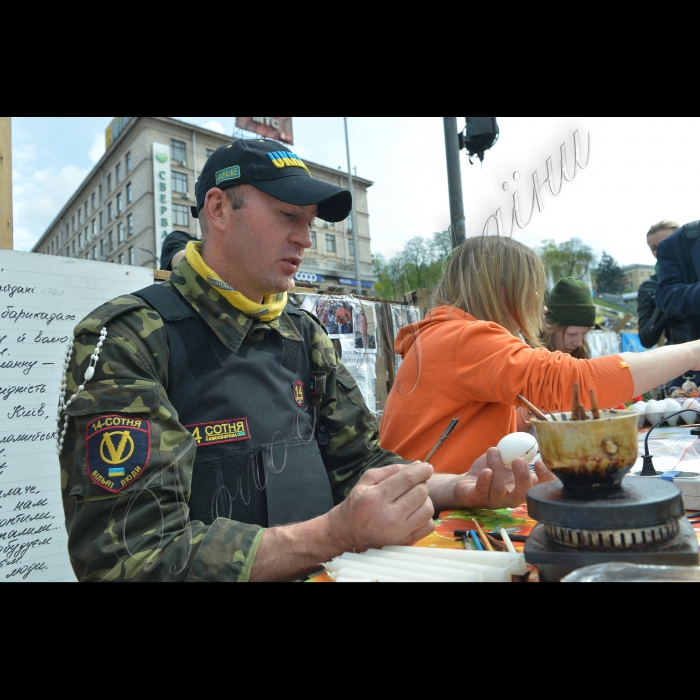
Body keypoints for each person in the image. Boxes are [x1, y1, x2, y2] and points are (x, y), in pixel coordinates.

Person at [58, 139, 552, 583]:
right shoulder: (128, 337)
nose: (305, 239)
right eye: (286, 216)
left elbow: (362, 463)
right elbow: (131, 560)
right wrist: (333, 533)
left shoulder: (301, 331)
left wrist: (455, 488)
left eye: (309, 222)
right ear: (218, 208)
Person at [379, 235, 700, 474]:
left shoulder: (449, 334)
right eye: (532, 290)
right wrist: (692, 351)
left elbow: (467, 422)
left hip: (432, 497)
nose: (540, 304)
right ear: (504, 293)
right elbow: (577, 383)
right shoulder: (462, 336)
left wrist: (521, 416)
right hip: (430, 509)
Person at [637, 220, 688, 351]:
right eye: (654, 248)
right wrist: (665, 296)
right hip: (682, 363)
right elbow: (646, 339)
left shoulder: (695, 276)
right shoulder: (648, 287)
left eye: (667, 243)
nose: (661, 251)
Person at [541, 277, 595, 359]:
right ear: (550, 328)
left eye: (584, 334)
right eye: (572, 334)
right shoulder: (528, 358)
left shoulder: (580, 356)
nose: (579, 343)